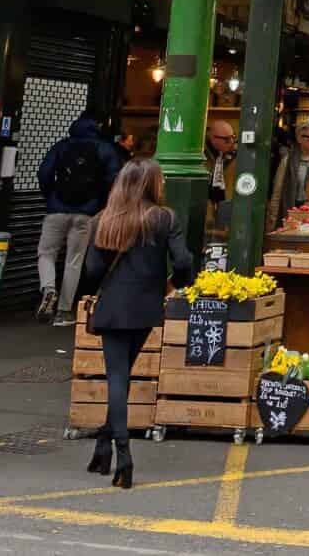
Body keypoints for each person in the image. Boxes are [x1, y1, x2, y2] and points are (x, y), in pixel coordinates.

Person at [77, 158, 196, 489]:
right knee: (122, 375)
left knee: (118, 376)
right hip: (146, 308)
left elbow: (92, 273)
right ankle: (112, 449)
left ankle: (118, 453)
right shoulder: (163, 217)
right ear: (151, 184)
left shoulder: (103, 220)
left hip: (113, 307)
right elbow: (184, 261)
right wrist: (174, 283)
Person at [36, 117, 124, 326]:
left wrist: (50, 196)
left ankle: (48, 288)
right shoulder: (105, 149)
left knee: (46, 253)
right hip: (86, 213)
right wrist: (100, 204)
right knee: (74, 261)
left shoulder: (62, 147)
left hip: (56, 209)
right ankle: (64, 312)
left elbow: (44, 172)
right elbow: (114, 180)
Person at [205, 116, 237, 205]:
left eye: (233, 137)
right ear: (213, 138)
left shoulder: (235, 154)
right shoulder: (203, 154)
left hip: (225, 203)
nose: (231, 142)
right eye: (226, 139)